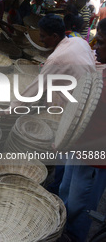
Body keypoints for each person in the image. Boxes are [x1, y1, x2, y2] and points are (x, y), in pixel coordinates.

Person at [57, 18, 106, 242]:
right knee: (67, 196)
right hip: (78, 149)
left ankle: (74, 238)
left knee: (81, 205)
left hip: (94, 159)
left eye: (101, 43)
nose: (95, 47)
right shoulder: (101, 72)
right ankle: (65, 232)